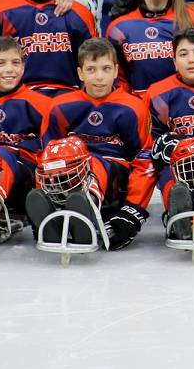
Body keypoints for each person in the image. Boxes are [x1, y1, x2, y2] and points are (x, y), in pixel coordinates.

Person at [36, 38, 155, 250]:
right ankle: (54, 208)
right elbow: (46, 155)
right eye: (91, 69)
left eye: (106, 69)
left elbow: (144, 161)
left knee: (92, 162)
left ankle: (83, 208)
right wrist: (43, 188)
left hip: (115, 180)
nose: (99, 77)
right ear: (80, 73)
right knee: (59, 158)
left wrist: (133, 209)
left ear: (116, 71)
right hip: (69, 176)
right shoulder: (59, 106)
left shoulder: (133, 108)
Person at [0, 36, 53, 215]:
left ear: (23, 67)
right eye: (1, 63)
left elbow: (50, 148)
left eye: (15, 63)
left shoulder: (43, 104)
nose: (9, 69)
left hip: (27, 174)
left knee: (2, 153)